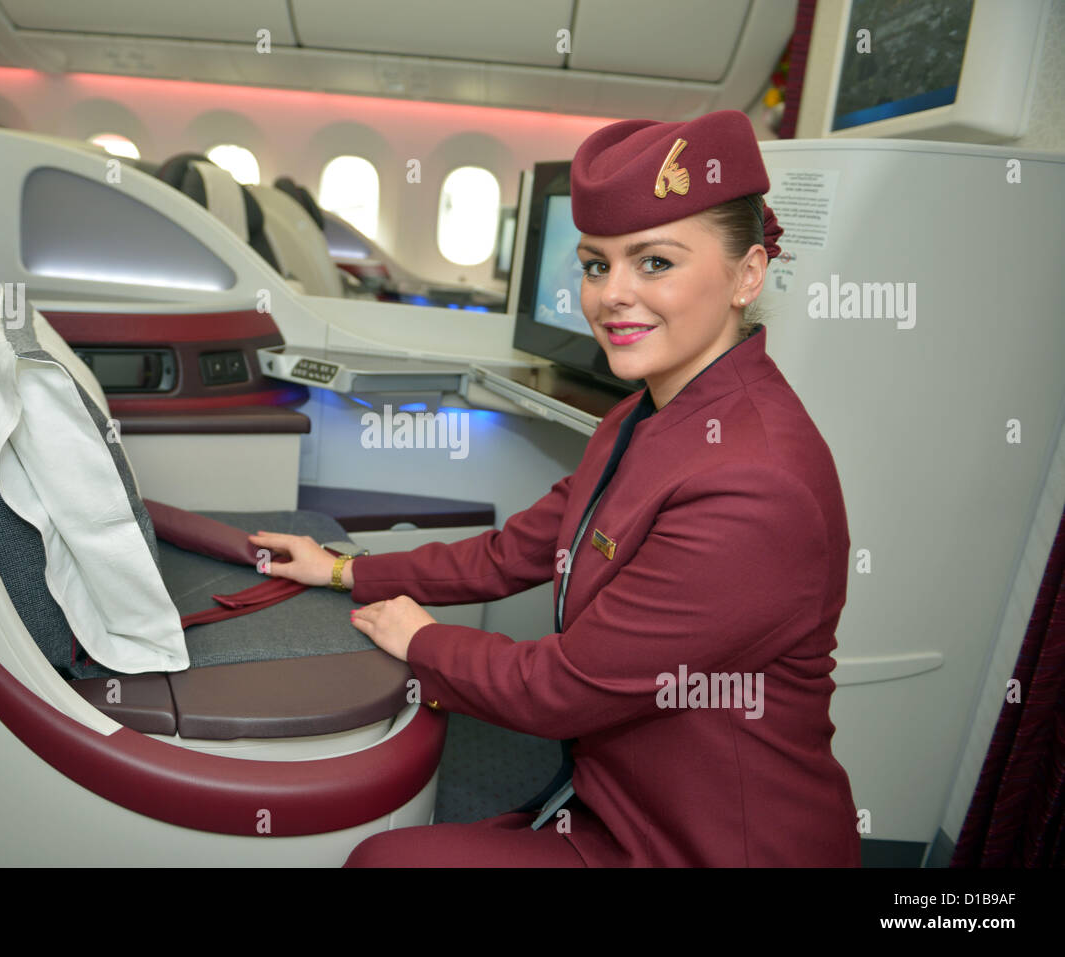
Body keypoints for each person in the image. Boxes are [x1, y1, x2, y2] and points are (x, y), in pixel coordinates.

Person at [249, 110, 859, 867]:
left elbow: (563, 687)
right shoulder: (643, 415)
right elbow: (515, 552)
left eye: (656, 263)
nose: (611, 296)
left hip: (711, 844)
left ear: (748, 275)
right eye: (598, 265)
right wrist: (341, 568)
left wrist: (424, 639)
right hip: (614, 798)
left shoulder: (755, 484)